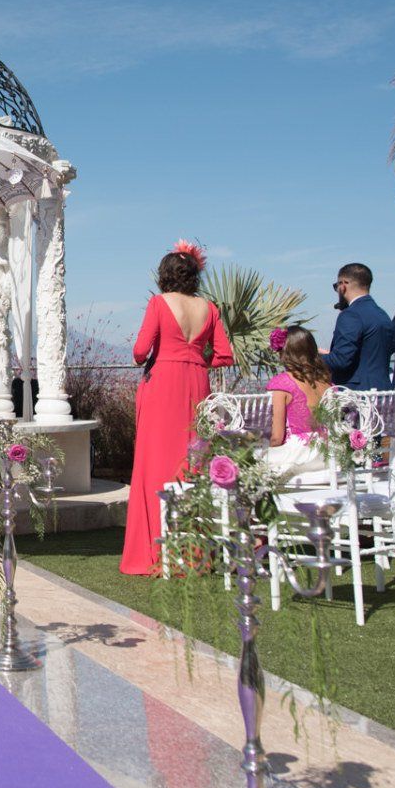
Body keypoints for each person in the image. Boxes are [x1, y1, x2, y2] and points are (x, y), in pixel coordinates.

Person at [122, 242, 234, 575]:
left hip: (162, 386)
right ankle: (194, 553)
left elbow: (140, 351)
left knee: (155, 463)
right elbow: (225, 355)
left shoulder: (158, 303)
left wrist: (167, 355)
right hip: (197, 384)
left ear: (164, 275)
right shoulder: (208, 308)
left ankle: (154, 553)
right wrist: (195, 360)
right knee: (192, 463)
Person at [259, 327, 331, 478]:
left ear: (285, 352)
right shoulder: (326, 382)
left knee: (249, 460)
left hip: (299, 458)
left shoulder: (283, 383)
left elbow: (277, 438)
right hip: (327, 455)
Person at [325, 263, 394, 391]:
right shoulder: (382, 314)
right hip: (384, 390)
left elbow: (341, 360)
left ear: (343, 284)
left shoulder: (351, 314)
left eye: (336, 286)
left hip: (357, 393)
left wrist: (307, 357)